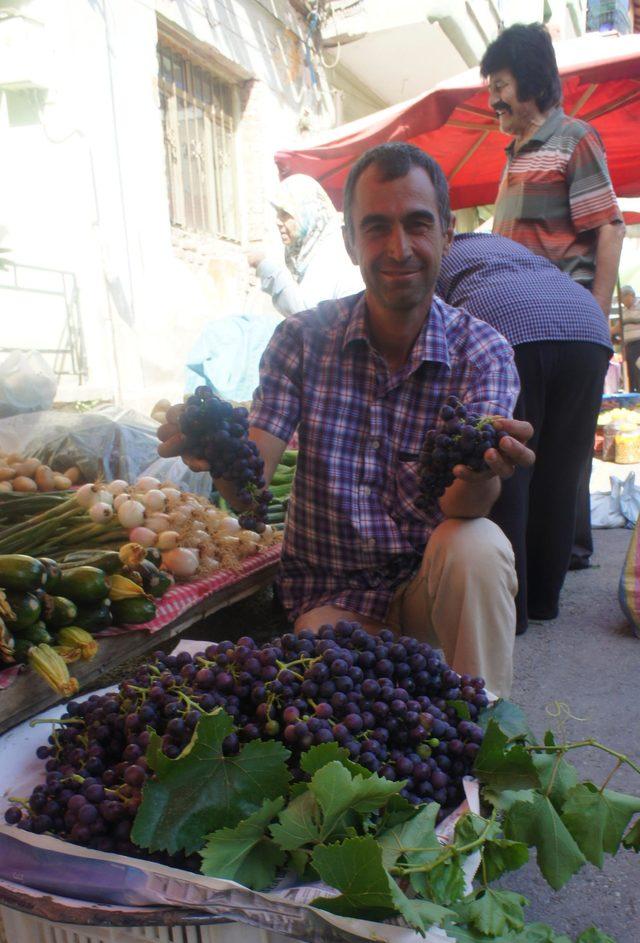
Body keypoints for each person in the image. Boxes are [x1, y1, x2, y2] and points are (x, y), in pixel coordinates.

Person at [159, 144, 535, 697]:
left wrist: (481, 471)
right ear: (350, 241)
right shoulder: (303, 340)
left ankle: (485, 731)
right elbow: (251, 486)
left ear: (447, 233)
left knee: (475, 544)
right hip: (330, 596)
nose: (399, 248)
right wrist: (219, 455)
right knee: (362, 724)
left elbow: (463, 507)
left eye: (417, 224)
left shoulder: (483, 351)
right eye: (376, 227)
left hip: (427, 588)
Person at [480, 22, 624, 569]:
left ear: (534, 81)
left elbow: (609, 228)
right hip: (515, 324)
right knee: (528, 443)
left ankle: (567, 551)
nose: (493, 98)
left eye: (501, 83)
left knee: (562, 450)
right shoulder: (513, 153)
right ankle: (549, 554)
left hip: (564, 321)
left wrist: (596, 311)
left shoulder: (574, 138)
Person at [436, 232, 612, 633]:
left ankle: (509, 612)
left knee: (503, 467)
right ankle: (545, 601)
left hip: (507, 329)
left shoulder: (437, 249)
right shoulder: (507, 247)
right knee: (563, 473)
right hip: (587, 328)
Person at [247, 173, 363, 317]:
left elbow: (306, 316)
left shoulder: (332, 252)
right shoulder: (309, 251)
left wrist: (267, 268)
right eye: (278, 213)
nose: (278, 221)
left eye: (285, 213)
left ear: (307, 212)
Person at [611, 285, 640, 393]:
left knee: (638, 371)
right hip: (629, 346)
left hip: (639, 344)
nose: (621, 301)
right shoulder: (623, 311)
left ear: (630, 295)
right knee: (630, 372)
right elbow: (618, 328)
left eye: (622, 298)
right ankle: (633, 396)